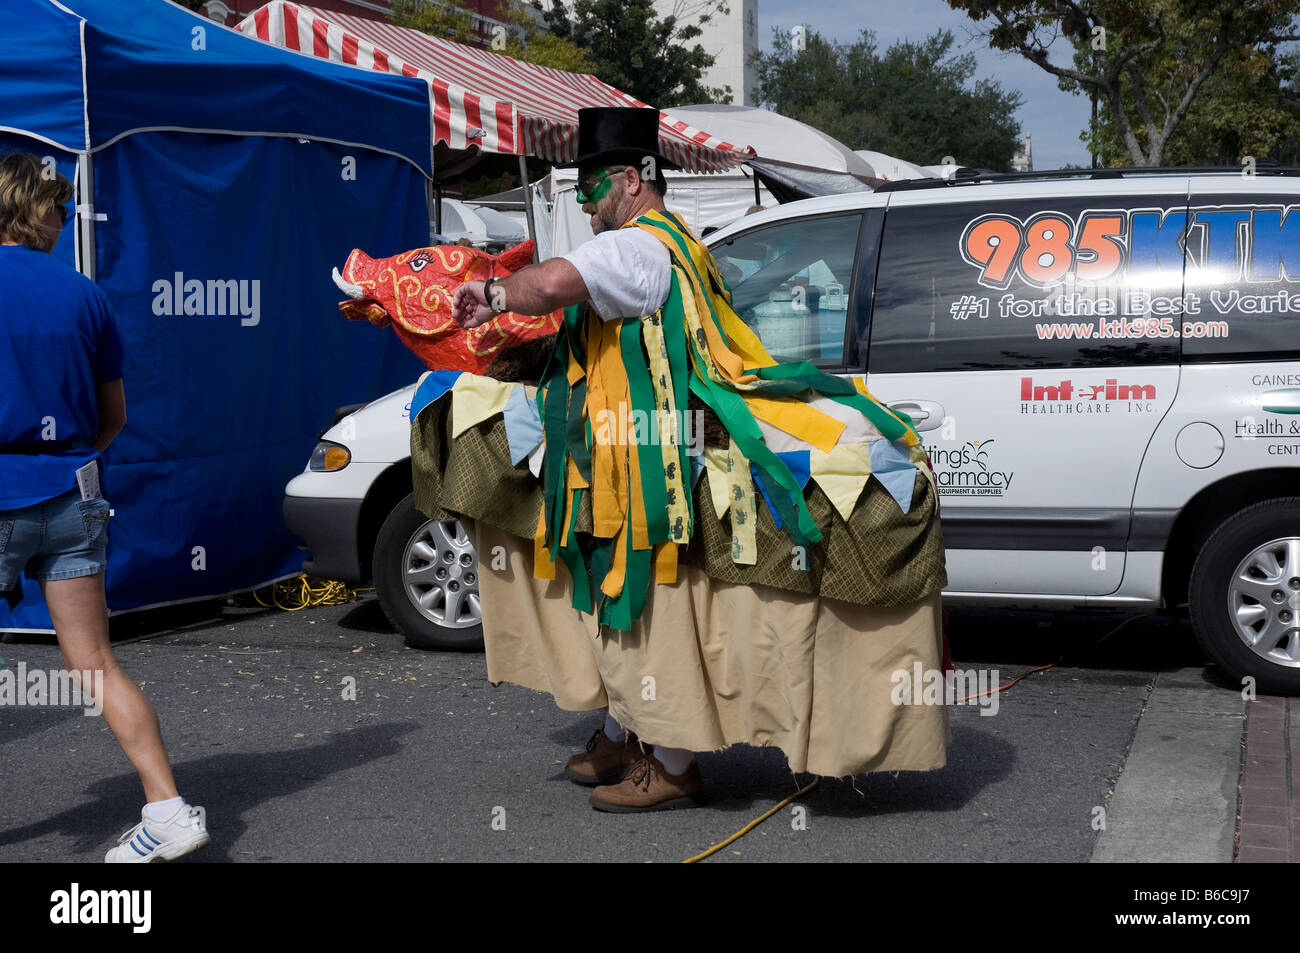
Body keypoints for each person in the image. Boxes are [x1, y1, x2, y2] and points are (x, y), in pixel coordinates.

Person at [446, 109, 948, 812]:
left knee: (655, 613)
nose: (585, 203)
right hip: (618, 461)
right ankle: (625, 730)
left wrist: (495, 293)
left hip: (654, 477)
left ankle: (675, 761)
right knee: (616, 608)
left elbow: (555, 284)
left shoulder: (638, 250)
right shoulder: (666, 242)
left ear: (629, 181)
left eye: (591, 188)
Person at [0, 152, 209, 861]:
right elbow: (112, 415)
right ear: (30, 210)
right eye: (57, 208)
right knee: (94, 663)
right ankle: (168, 808)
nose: (63, 221)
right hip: (75, 487)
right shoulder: (83, 293)